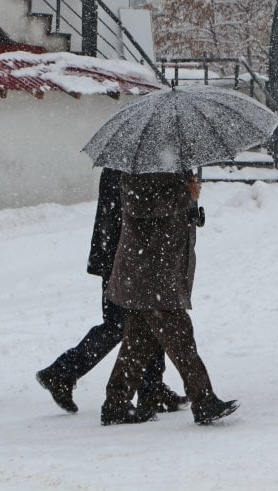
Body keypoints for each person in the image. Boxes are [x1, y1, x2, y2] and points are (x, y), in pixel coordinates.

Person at [35, 167, 187, 414]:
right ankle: (62, 373)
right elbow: (141, 208)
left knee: (147, 318)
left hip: (125, 254)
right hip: (126, 256)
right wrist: (183, 193)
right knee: (122, 323)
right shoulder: (132, 165)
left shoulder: (132, 161)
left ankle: (151, 388)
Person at [100, 171, 238, 426]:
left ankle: (116, 403)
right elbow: (138, 205)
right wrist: (184, 195)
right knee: (180, 336)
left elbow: (165, 210)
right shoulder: (139, 169)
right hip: (149, 270)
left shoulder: (171, 163)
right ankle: (204, 400)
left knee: (138, 341)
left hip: (159, 269)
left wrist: (189, 204)